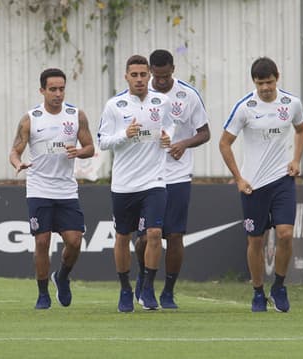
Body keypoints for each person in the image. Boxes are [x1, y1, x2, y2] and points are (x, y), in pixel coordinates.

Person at [219, 57, 303, 313]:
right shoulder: (245, 107)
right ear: (254, 82)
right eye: (260, 83)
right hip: (253, 185)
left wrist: (296, 160)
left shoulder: (291, 103)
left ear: (277, 78)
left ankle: (279, 286)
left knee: (285, 234)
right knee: (256, 241)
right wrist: (238, 178)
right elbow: (224, 143)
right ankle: (258, 292)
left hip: (282, 180)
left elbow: (301, 130)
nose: (266, 87)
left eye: (269, 82)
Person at [9, 68, 94, 309]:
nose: (58, 94)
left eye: (61, 89)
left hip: (66, 189)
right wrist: (18, 164)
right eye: (53, 89)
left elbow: (89, 146)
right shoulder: (31, 118)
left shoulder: (76, 115)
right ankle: (43, 293)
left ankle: (62, 277)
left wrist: (79, 151)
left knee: (75, 241)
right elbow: (15, 150)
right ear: (42, 91)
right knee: (42, 241)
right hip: (39, 188)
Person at [133, 49, 210, 309]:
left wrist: (184, 143)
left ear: (173, 69)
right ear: (152, 71)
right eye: (158, 76)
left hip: (177, 175)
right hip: (146, 175)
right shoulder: (141, 95)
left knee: (174, 236)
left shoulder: (187, 95)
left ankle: (167, 291)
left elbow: (205, 132)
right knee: (145, 236)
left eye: (167, 76)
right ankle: (144, 282)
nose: (162, 80)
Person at [98, 55, 173, 312]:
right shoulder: (115, 106)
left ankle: (148, 288)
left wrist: (167, 137)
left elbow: (171, 127)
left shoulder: (161, 102)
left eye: (143, 74)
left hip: (154, 181)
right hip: (124, 184)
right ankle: (125, 289)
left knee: (154, 234)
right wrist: (124, 134)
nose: (140, 79)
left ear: (149, 75)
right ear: (126, 76)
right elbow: (103, 141)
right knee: (122, 237)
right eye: (135, 75)